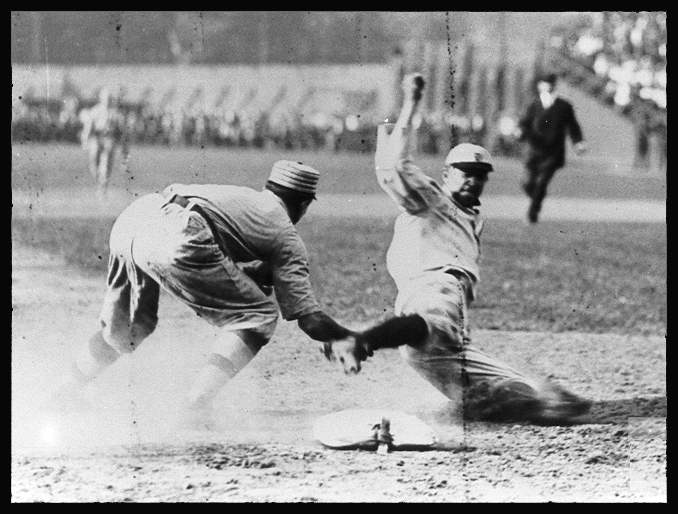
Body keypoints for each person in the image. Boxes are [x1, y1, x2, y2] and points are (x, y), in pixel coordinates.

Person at [338, 73, 591, 424]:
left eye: (481, 173)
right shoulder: (431, 201)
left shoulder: (472, 215)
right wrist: (411, 102)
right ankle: (361, 342)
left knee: (522, 395)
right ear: (445, 174)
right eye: (465, 171)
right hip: (434, 290)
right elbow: (393, 167)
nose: (474, 178)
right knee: (432, 326)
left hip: (446, 339)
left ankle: (507, 402)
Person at [49, 160, 362, 426]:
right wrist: (348, 336)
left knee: (131, 327)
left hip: (135, 217)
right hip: (181, 232)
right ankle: (196, 404)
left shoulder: (243, 198)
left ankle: (65, 391)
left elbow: (207, 249)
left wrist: (252, 274)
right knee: (259, 315)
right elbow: (310, 320)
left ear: (271, 188)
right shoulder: (285, 233)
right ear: (304, 203)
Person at [516, 72, 587, 224]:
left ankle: (532, 214)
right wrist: (520, 131)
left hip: (553, 152)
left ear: (553, 85)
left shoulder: (564, 106)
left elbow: (573, 126)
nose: (544, 86)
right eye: (542, 83)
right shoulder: (534, 104)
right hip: (534, 150)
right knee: (527, 184)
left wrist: (578, 142)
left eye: (547, 83)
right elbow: (524, 123)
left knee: (541, 183)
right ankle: (537, 197)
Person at [79, 88, 129, 200]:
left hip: (109, 138)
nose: (107, 100)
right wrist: (85, 140)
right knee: (94, 162)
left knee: (106, 164)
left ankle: (102, 188)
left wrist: (123, 146)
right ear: (101, 99)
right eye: (105, 98)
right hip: (97, 138)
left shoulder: (116, 113)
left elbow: (121, 131)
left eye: (109, 98)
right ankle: (99, 181)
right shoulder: (95, 111)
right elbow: (89, 127)